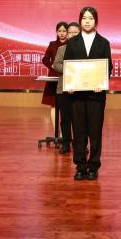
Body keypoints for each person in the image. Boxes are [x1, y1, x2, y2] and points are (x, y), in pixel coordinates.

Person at [62, 6, 112, 181]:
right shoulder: (72, 43)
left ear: (96, 21)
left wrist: (101, 83)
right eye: (84, 18)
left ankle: (93, 166)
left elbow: (108, 67)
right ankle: (80, 166)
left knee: (95, 131)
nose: (87, 21)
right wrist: (69, 83)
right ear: (80, 21)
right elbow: (68, 65)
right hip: (76, 95)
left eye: (90, 18)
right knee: (79, 131)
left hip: (96, 95)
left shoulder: (103, 42)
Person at [50, 22, 79, 155]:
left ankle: (80, 144)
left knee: (79, 120)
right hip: (63, 88)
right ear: (67, 34)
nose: (72, 35)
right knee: (65, 119)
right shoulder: (62, 49)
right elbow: (56, 65)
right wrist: (71, 69)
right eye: (70, 32)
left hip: (80, 89)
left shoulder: (85, 49)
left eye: (75, 33)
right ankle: (66, 144)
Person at [40, 22, 69, 147]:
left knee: (66, 106)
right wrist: (52, 65)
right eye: (59, 31)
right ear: (56, 32)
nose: (62, 33)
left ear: (67, 32)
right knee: (53, 104)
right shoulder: (52, 44)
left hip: (67, 76)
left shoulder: (71, 44)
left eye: (64, 31)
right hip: (53, 76)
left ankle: (64, 134)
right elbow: (45, 59)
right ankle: (56, 132)